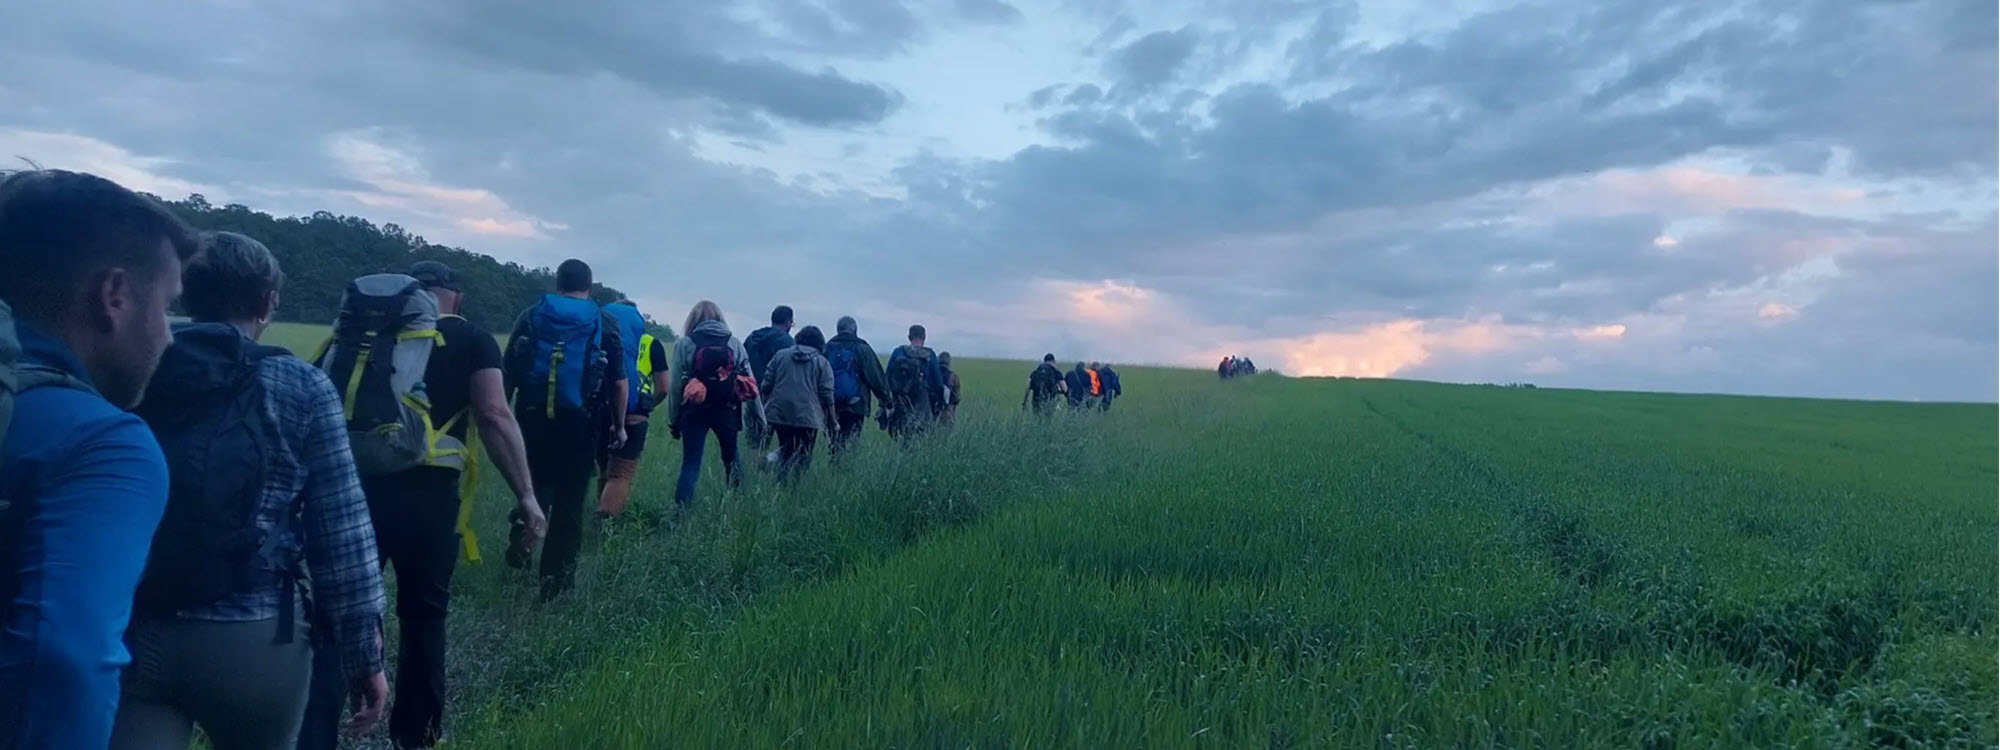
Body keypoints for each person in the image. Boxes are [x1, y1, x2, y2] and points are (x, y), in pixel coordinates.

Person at [113, 232, 388, 750]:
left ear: (185, 293)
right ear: (268, 302)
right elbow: (342, 537)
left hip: (131, 622)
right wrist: (364, 657)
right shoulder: (300, 385)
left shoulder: (130, 365)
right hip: (253, 633)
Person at [299, 260, 546, 749]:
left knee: (328, 620)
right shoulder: (471, 338)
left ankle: (312, 735)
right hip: (428, 499)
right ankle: (414, 738)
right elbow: (494, 413)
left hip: (351, 491)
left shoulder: (355, 336)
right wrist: (526, 496)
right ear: (454, 296)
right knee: (424, 618)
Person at [0, 169, 199, 750]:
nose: (167, 337)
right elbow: (66, 660)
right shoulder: (102, 444)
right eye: (165, 306)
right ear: (114, 296)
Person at [503, 259, 624, 601]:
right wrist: (618, 426)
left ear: (557, 284)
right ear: (591, 287)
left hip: (530, 417)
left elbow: (508, 371)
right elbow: (617, 382)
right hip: (582, 423)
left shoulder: (531, 315)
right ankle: (554, 589)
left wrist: (505, 418)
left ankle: (523, 526)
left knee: (535, 483)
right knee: (570, 503)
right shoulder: (604, 321)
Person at [666, 301, 763, 506]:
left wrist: (674, 420)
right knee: (732, 459)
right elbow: (751, 385)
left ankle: (681, 514)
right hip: (727, 410)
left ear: (693, 320)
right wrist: (760, 418)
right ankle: (739, 506)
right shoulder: (734, 343)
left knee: (691, 464)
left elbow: (675, 386)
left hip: (694, 410)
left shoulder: (685, 343)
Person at [597, 308, 669, 521]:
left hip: (600, 409)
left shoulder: (599, 335)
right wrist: (649, 406)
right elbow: (663, 387)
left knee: (603, 468)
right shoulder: (651, 343)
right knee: (621, 473)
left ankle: (599, 508)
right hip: (634, 412)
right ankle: (604, 522)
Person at [758, 325, 835, 483]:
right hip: (808, 416)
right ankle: (795, 487)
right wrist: (833, 421)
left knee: (786, 448)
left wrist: (766, 408)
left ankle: (779, 476)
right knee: (804, 454)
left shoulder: (780, 355)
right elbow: (827, 394)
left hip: (779, 412)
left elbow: (766, 384)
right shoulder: (822, 362)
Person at [823, 316, 888, 460]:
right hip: (855, 404)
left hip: (831, 405)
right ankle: (848, 469)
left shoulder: (827, 348)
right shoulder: (861, 348)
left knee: (835, 442)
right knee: (852, 442)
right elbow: (876, 377)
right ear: (855, 330)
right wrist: (886, 400)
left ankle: (835, 470)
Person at [741, 305, 794, 463]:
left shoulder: (751, 338)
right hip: (777, 399)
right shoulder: (787, 342)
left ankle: (754, 470)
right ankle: (771, 465)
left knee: (755, 442)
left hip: (752, 395)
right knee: (788, 442)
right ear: (789, 322)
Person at [883, 324, 944, 438]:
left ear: (909, 337)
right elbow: (938, 383)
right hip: (922, 399)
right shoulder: (930, 354)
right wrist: (940, 403)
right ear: (924, 337)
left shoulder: (898, 352)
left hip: (901, 399)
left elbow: (887, 377)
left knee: (902, 434)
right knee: (922, 435)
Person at [937, 352, 963, 426]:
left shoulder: (933, 375)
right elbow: (957, 398)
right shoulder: (953, 377)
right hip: (948, 413)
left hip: (933, 412)